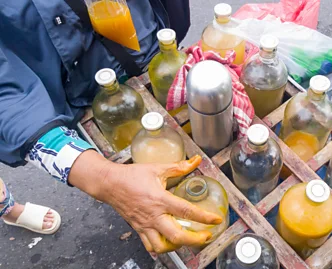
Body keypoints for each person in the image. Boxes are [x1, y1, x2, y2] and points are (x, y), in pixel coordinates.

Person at [0, 0, 222, 253]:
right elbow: (6, 94)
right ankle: (8, 208)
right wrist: (105, 179)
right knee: (128, 158)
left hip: (147, 43)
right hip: (80, 95)